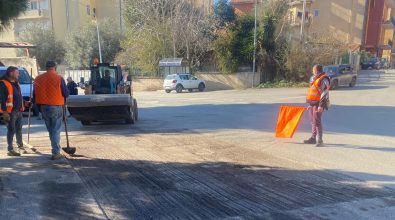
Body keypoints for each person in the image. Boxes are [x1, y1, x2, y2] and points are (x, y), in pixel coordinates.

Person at [33, 61, 69, 160]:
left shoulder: (38, 78)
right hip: (56, 106)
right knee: (56, 130)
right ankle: (56, 152)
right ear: (55, 67)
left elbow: (34, 94)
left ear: (46, 67)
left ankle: (55, 148)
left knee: (51, 130)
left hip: (43, 107)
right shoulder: (59, 78)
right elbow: (66, 93)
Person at [0, 66, 28, 156]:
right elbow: (1, 99)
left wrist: (25, 103)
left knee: (19, 129)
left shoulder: (16, 83)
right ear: (11, 73)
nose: (18, 75)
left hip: (18, 111)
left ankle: (20, 146)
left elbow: (18, 96)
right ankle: (10, 149)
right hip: (10, 112)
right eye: (17, 73)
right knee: (11, 130)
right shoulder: (3, 84)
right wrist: (4, 112)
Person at [304, 64, 330, 147]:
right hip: (313, 103)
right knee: (312, 121)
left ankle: (320, 140)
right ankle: (313, 138)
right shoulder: (314, 78)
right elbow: (313, 92)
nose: (312, 71)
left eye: (313, 70)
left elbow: (325, 93)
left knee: (317, 121)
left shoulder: (324, 79)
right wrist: (310, 104)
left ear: (316, 70)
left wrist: (321, 106)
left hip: (318, 104)